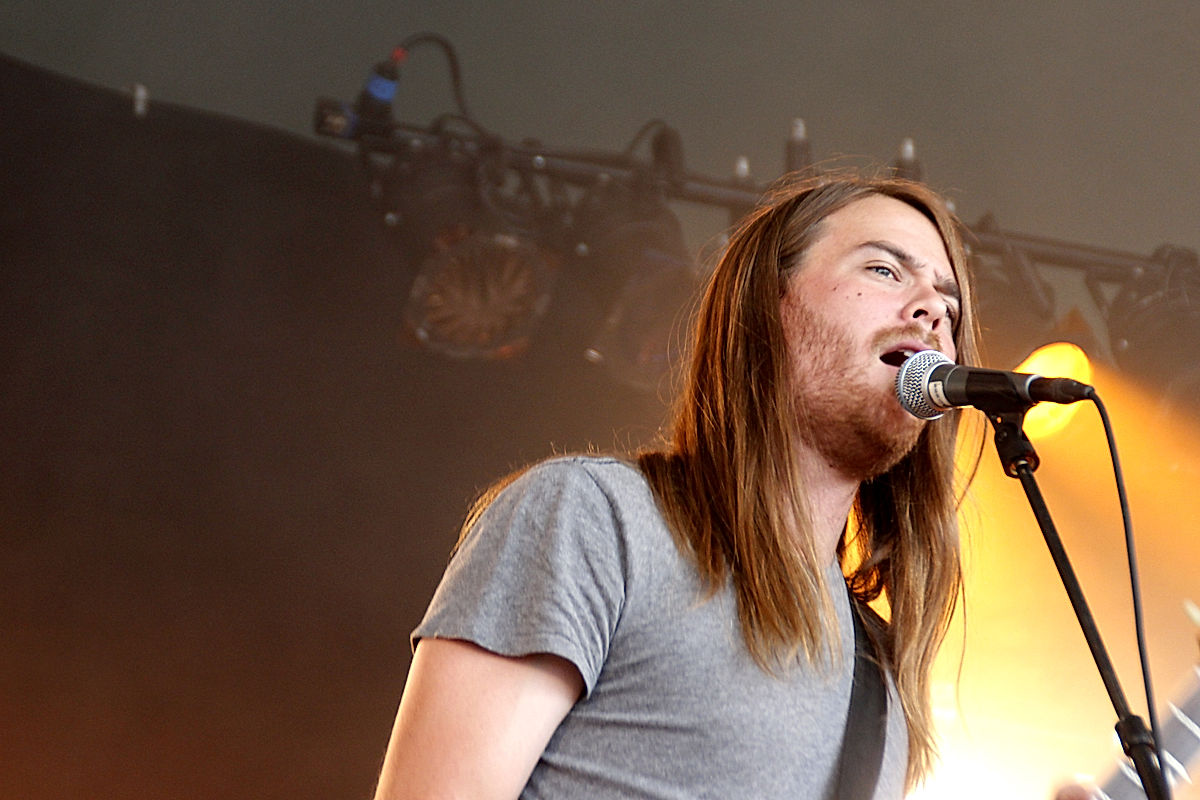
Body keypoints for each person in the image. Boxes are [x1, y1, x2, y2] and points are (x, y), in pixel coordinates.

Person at [372, 169, 980, 799]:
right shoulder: (594, 522)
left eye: (950, 304)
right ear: (767, 304)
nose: (934, 309)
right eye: (883, 270)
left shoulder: (878, 679)